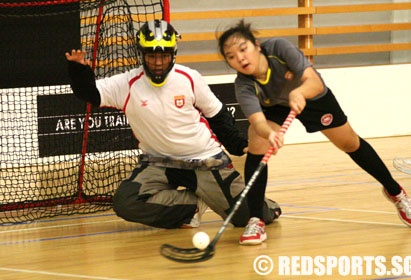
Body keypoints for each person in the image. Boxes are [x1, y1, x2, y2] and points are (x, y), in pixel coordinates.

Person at [65, 20, 281, 232]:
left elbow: (217, 115)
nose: (158, 62)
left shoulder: (189, 78)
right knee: (126, 202)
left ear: (173, 54)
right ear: (142, 55)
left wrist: (238, 144)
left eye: (164, 56)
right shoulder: (127, 84)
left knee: (245, 216)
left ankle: (267, 207)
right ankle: (190, 208)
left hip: (205, 161)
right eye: (152, 56)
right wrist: (78, 70)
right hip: (158, 163)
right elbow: (90, 93)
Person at [217, 19, 411, 245]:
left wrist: (299, 93)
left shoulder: (278, 49)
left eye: (243, 50)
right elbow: (257, 120)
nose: (241, 59)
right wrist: (269, 134)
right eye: (231, 57)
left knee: (349, 143)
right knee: (257, 144)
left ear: (256, 45)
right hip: (274, 106)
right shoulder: (244, 84)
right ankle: (256, 219)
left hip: (311, 96)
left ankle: (396, 193)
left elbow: (315, 83)